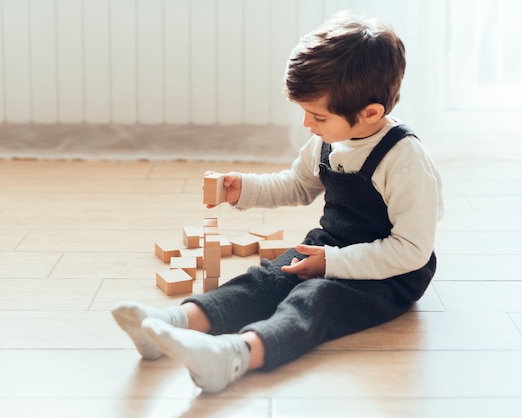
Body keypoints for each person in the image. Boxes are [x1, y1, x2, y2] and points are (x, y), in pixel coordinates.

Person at [112, 11, 443, 394]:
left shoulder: (404, 161)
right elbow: (297, 184)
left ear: (370, 113)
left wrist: (333, 264)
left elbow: (412, 250)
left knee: (315, 299)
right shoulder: (326, 138)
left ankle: (234, 356)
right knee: (265, 279)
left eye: (317, 115)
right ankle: (170, 324)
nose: (307, 124)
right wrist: (245, 189)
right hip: (329, 245)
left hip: (391, 273)